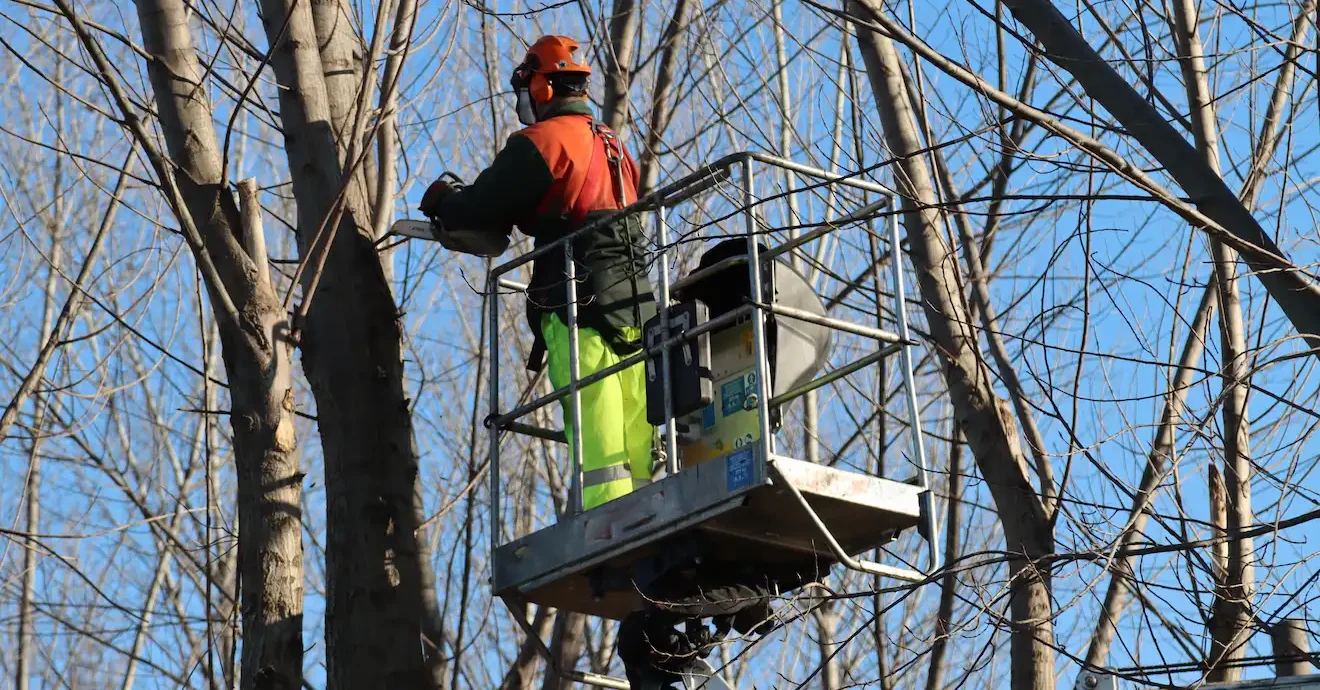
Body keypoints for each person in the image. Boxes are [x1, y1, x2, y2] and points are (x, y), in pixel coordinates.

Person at [418, 35, 657, 512]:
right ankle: (649, 510)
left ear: (543, 86)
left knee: (597, 425)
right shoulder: (613, 144)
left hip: (579, 303)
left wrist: (444, 200)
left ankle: (606, 522)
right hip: (635, 306)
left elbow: (482, 206)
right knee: (637, 422)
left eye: (526, 85)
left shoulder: (544, 142)